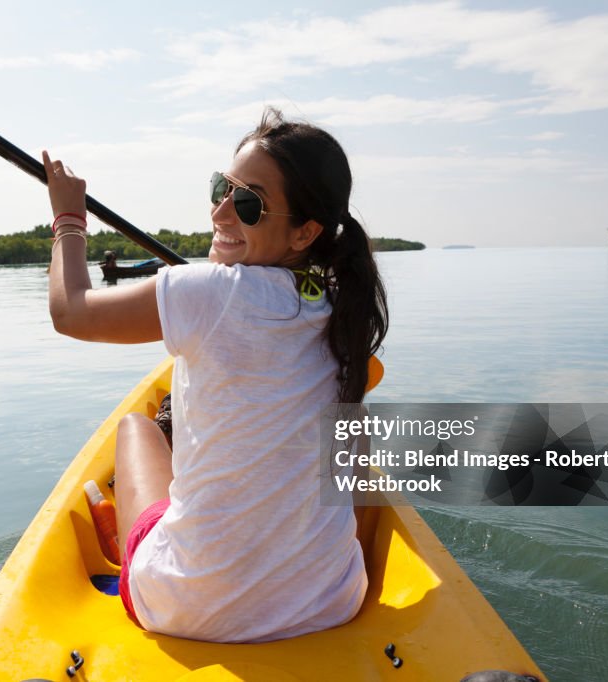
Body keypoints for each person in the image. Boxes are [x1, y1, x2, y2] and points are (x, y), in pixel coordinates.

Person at [43, 108, 388, 643]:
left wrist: (69, 220)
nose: (220, 213)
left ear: (305, 232)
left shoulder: (203, 291)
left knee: (137, 430)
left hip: (187, 607)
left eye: (248, 204)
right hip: (327, 602)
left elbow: (72, 313)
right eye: (221, 189)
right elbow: (352, 458)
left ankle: (134, 545)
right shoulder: (342, 312)